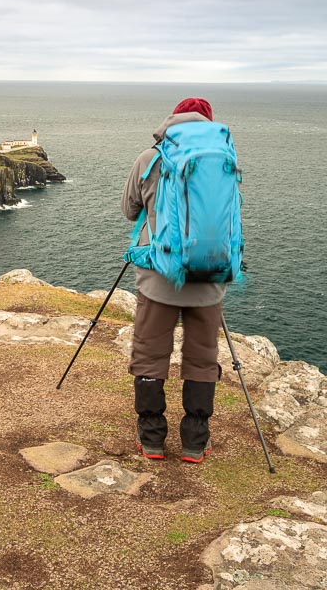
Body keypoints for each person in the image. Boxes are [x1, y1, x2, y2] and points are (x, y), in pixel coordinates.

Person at [121, 97, 224, 463]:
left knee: (149, 355)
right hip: (208, 277)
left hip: (157, 278)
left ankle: (151, 439)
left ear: (172, 120)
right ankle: (196, 441)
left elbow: (129, 209)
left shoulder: (150, 159)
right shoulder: (222, 161)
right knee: (202, 357)